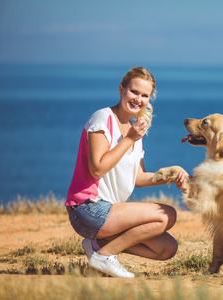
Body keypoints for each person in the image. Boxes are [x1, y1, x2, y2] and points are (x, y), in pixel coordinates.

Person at [65, 67, 186, 278]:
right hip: (87, 209)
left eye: (144, 95)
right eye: (134, 92)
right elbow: (97, 168)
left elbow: (138, 178)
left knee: (167, 248)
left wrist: (171, 174)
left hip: (109, 212)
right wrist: (129, 139)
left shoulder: (134, 129)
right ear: (121, 89)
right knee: (168, 214)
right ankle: (105, 255)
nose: (138, 99)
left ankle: (98, 244)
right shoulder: (103, 118)